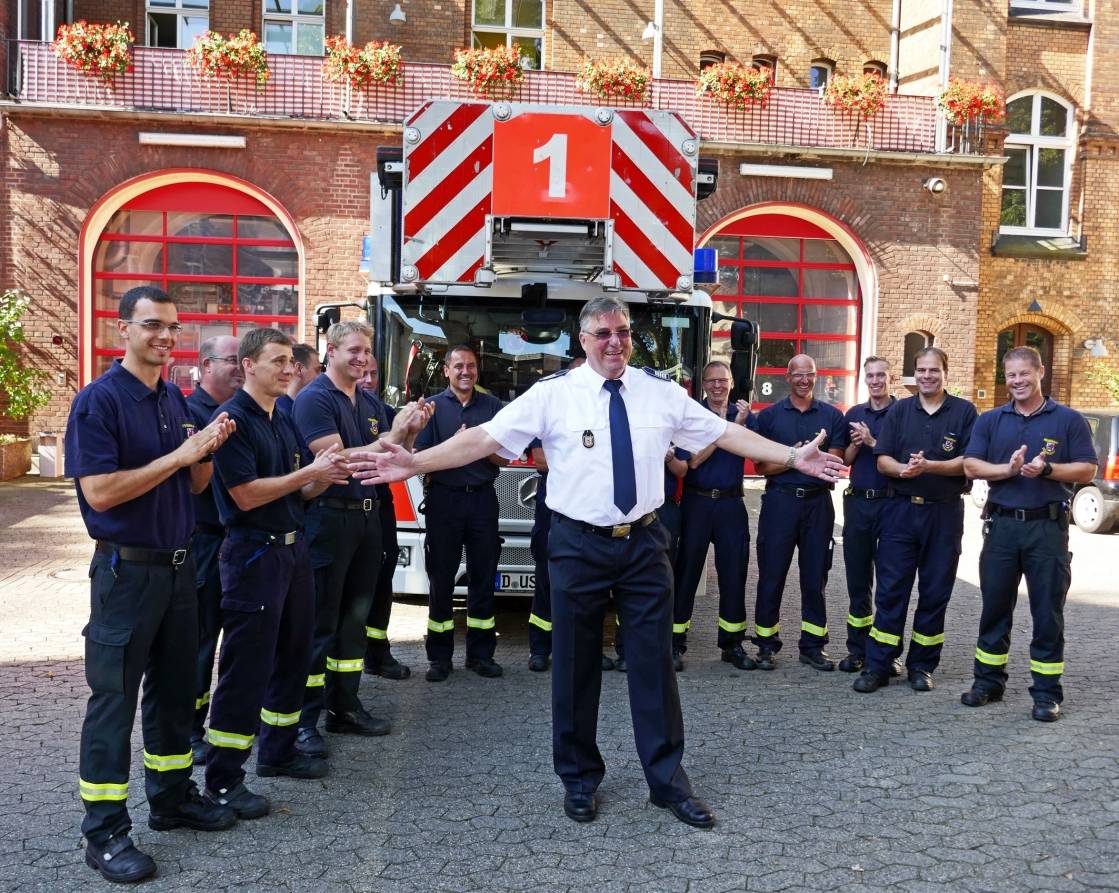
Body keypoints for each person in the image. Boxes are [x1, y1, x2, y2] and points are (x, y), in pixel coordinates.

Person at [347, 296, 844, 829]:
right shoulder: (553, 396)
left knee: (652, 666)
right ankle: (579, 778)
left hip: (644, 545)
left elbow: (722, 433)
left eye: (622, 332)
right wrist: (415, 462)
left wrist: (791, 456)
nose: (614, 341)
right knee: (576, 665)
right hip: (578, 545)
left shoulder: (659, 393)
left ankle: (667, 781)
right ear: (583, 341)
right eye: (603, 332)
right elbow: (482, 439)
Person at [65, 285, 238, 883]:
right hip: (127, 571)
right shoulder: (100, 402)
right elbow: (101, 492)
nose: (165, 336)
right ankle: (105, 833)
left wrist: (207, 451)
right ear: (124, 331)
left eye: (172, 326)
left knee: (174, 689)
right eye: (151, 326)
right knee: (113, 700)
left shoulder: (173, 398)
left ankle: (170, 798)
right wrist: (180, 453)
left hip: (178, 566)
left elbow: (193, 488)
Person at [204, 328, 352, 820]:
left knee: (293, 656)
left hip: (293, 554)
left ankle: (277, 751)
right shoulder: (231, 421)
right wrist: (308, 474)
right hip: (252, 557)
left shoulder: (281, 419)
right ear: (248, 365)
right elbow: (245, 495)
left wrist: (320, 479)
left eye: (291, 361)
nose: (289, 369)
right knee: (246, 669)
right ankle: (224, 779)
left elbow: (296, 494)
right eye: (277, 361)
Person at [293, 323, 424, 756]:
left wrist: (413, 426)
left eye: (366, 351)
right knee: (320, 622)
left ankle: (345, 707)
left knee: (355, 621)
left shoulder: (368, 401)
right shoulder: (314, 399)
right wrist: (391, 434)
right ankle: (303, 720)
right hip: (329, 519)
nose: (362, 358)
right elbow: (335, 458)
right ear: (330, 351)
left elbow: (395, 448)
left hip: (368, 519)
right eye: (353, 350)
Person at [961, 347, 1096, 721]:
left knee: (1047, 613)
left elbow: (1086, 470)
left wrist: (1047, 470)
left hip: (1046, 529)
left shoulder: (1068, 420)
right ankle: (988, 682)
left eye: (1024, 374)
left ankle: (1047, 693)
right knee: (994, 608)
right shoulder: (991, 420)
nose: (1017, 381)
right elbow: (971, 465)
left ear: (1040, 372)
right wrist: (1008, 469)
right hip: (1002, 527)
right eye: (1011, 375)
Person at [853, 347, 977, 694]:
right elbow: (882, 460)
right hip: (901, 512)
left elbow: (970, 461)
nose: (926, 376)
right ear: (913, 374)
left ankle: (922, 666)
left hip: (944, 513)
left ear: (945, 373)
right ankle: (878, 665)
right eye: (921, 370)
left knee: (935, 593)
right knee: (891, 591)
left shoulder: (965, 412)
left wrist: (931, 466)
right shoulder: (900, 410)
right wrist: (904, 470)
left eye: (933, 370)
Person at [413, 344, 507, 682]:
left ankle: (481, 656)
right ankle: (439, 659)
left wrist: (480, 446)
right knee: (441, 580)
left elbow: (504, 457)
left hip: (482, 500)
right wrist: (455, 446)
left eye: (471, 366)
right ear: (446, 371)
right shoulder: (432, 408)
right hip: (445, 500)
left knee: (484, 578)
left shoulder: (493, 406)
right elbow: (419, 456)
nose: (465, 372)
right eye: (458, 366)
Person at [751, 355, 848, 671]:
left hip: (818, 505)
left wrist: (796, 458)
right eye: (799, 374)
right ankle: (766, 645)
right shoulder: (770, 417)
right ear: (787, 376)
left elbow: (832, 465)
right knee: (771, 575)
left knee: (815, 578)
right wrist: (795, 459)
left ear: (816, 377)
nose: (805, 380)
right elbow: (762, 466)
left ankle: (813, 646)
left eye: (810, 374)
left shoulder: (833, 417)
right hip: (780, 503)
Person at [672, 362, 755, 671]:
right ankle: (675, 642)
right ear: (703, 385)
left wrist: (740, 426)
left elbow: (755, 453)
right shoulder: (691, 417)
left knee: (734, 573)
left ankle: (732, 645)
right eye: (712, 381)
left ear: (732, 383)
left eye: (723, 380)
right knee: (687, 573)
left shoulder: (743, 416)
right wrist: (721, 426)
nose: (718, 386)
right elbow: (692, 462)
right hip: (697, 503)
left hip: (732, 504)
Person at [186, 335, 243, 761]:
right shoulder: (192, 413)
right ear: (206, 366)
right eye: (231, 360)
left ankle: (228, 720)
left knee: (236, 637)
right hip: (205, 540)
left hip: (238, 540)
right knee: (202, 639)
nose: (240, 367)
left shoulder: (241, 411)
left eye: (244, 359)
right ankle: (190, 728)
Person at [837, 356, 895, 674]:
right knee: (858, 580)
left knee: (889, 582)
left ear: (891, 377)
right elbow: (846, 458)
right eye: (870, 376)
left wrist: (874, 442)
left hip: (890, 506)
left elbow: (903, 459)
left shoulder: (902, 413)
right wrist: (858, 445)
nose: (875, 381)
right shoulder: (854, 414)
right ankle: (857, 649)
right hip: (858, 505)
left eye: (881, 375)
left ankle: (886, 652)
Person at [358, 358, 413, 680]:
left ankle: (378, 651)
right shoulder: (322, 401)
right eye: (363, 372)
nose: (367, 378)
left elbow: (403, 448)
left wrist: (412, 428)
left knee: (382, 582)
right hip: (348, 507)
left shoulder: (377, 407)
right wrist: (400, 430)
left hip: (380, 504)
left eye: (374, 373)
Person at [614, 443, 688, 674]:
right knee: (625, 579)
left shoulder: (670, 424)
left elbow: (683, 470)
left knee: (664, 581)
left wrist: (668, 458)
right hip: (631, 507)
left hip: (664, 508)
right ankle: (625, 651)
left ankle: (663, 650)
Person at [275, 342, 321, 416]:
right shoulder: (279, 411)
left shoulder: (308, 405)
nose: (320, 376)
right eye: (317, 370)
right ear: (299, 369)